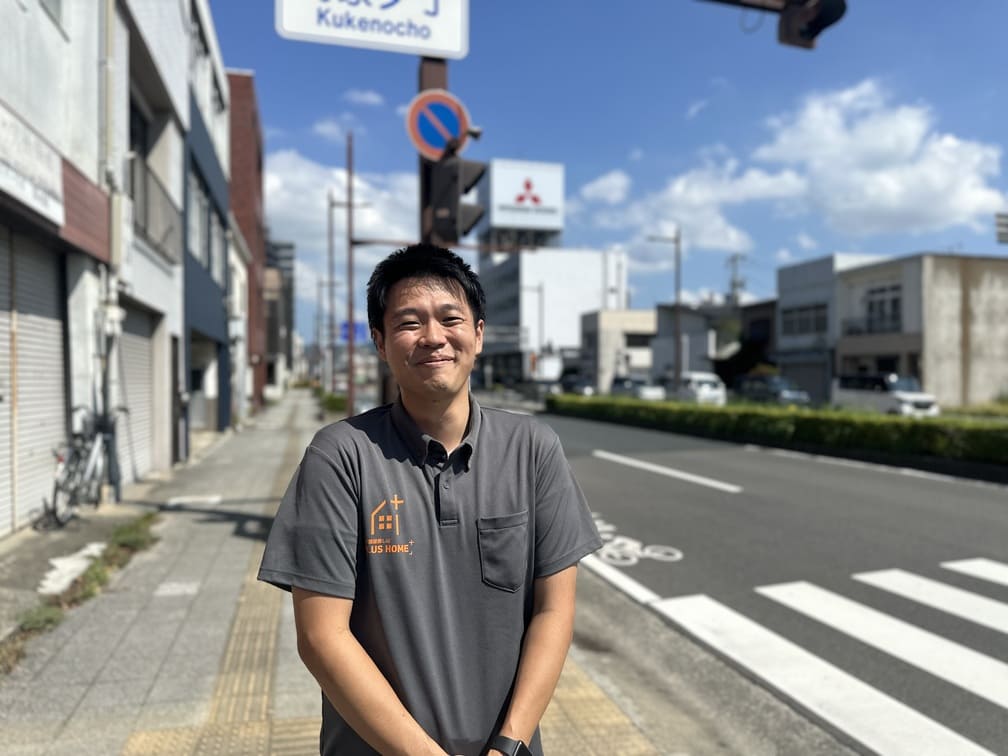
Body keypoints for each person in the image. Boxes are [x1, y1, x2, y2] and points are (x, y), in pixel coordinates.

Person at [258, 243, 601, 756]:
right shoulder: (340, 456)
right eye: (409, 322)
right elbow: (321, 638)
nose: (433, 337)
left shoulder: (532, 448)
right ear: (380, 342)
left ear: (478, 334)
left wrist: (509, 742)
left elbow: (554, 611)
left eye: (450, 318)